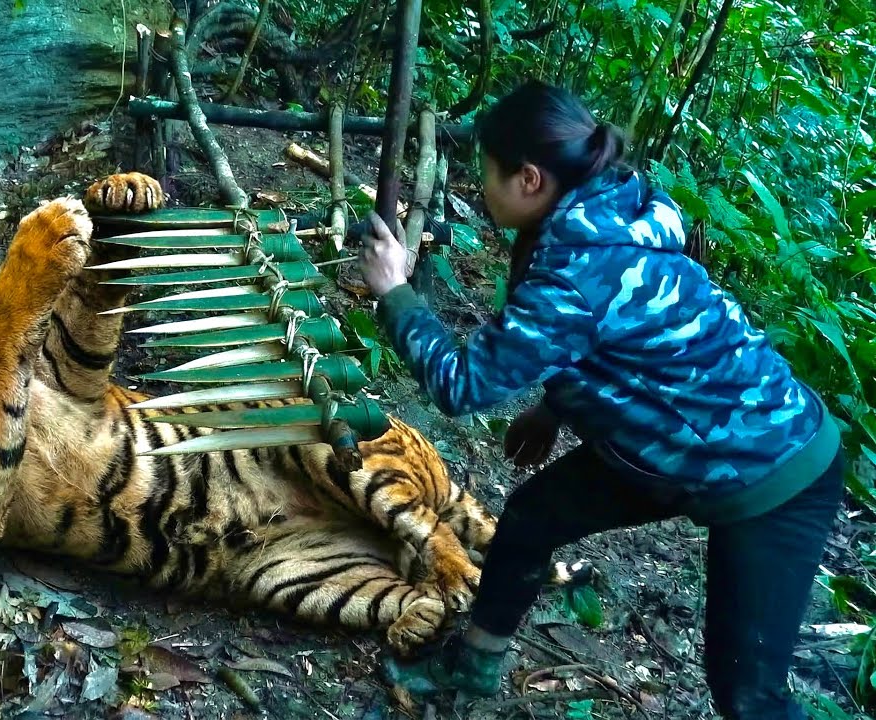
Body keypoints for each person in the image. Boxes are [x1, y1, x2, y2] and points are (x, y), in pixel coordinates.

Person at [358, 80, 844, 719]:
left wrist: (395, 292)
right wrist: (556, 407)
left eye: (487, 171)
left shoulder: (577, 270)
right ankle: (472, 666)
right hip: (673, 447)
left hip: (773, 471)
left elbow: (462, 385)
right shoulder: (615, 207)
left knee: (748, 692)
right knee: (532, 518)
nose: (481, 186)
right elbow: (626, 340)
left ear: (529, 179)